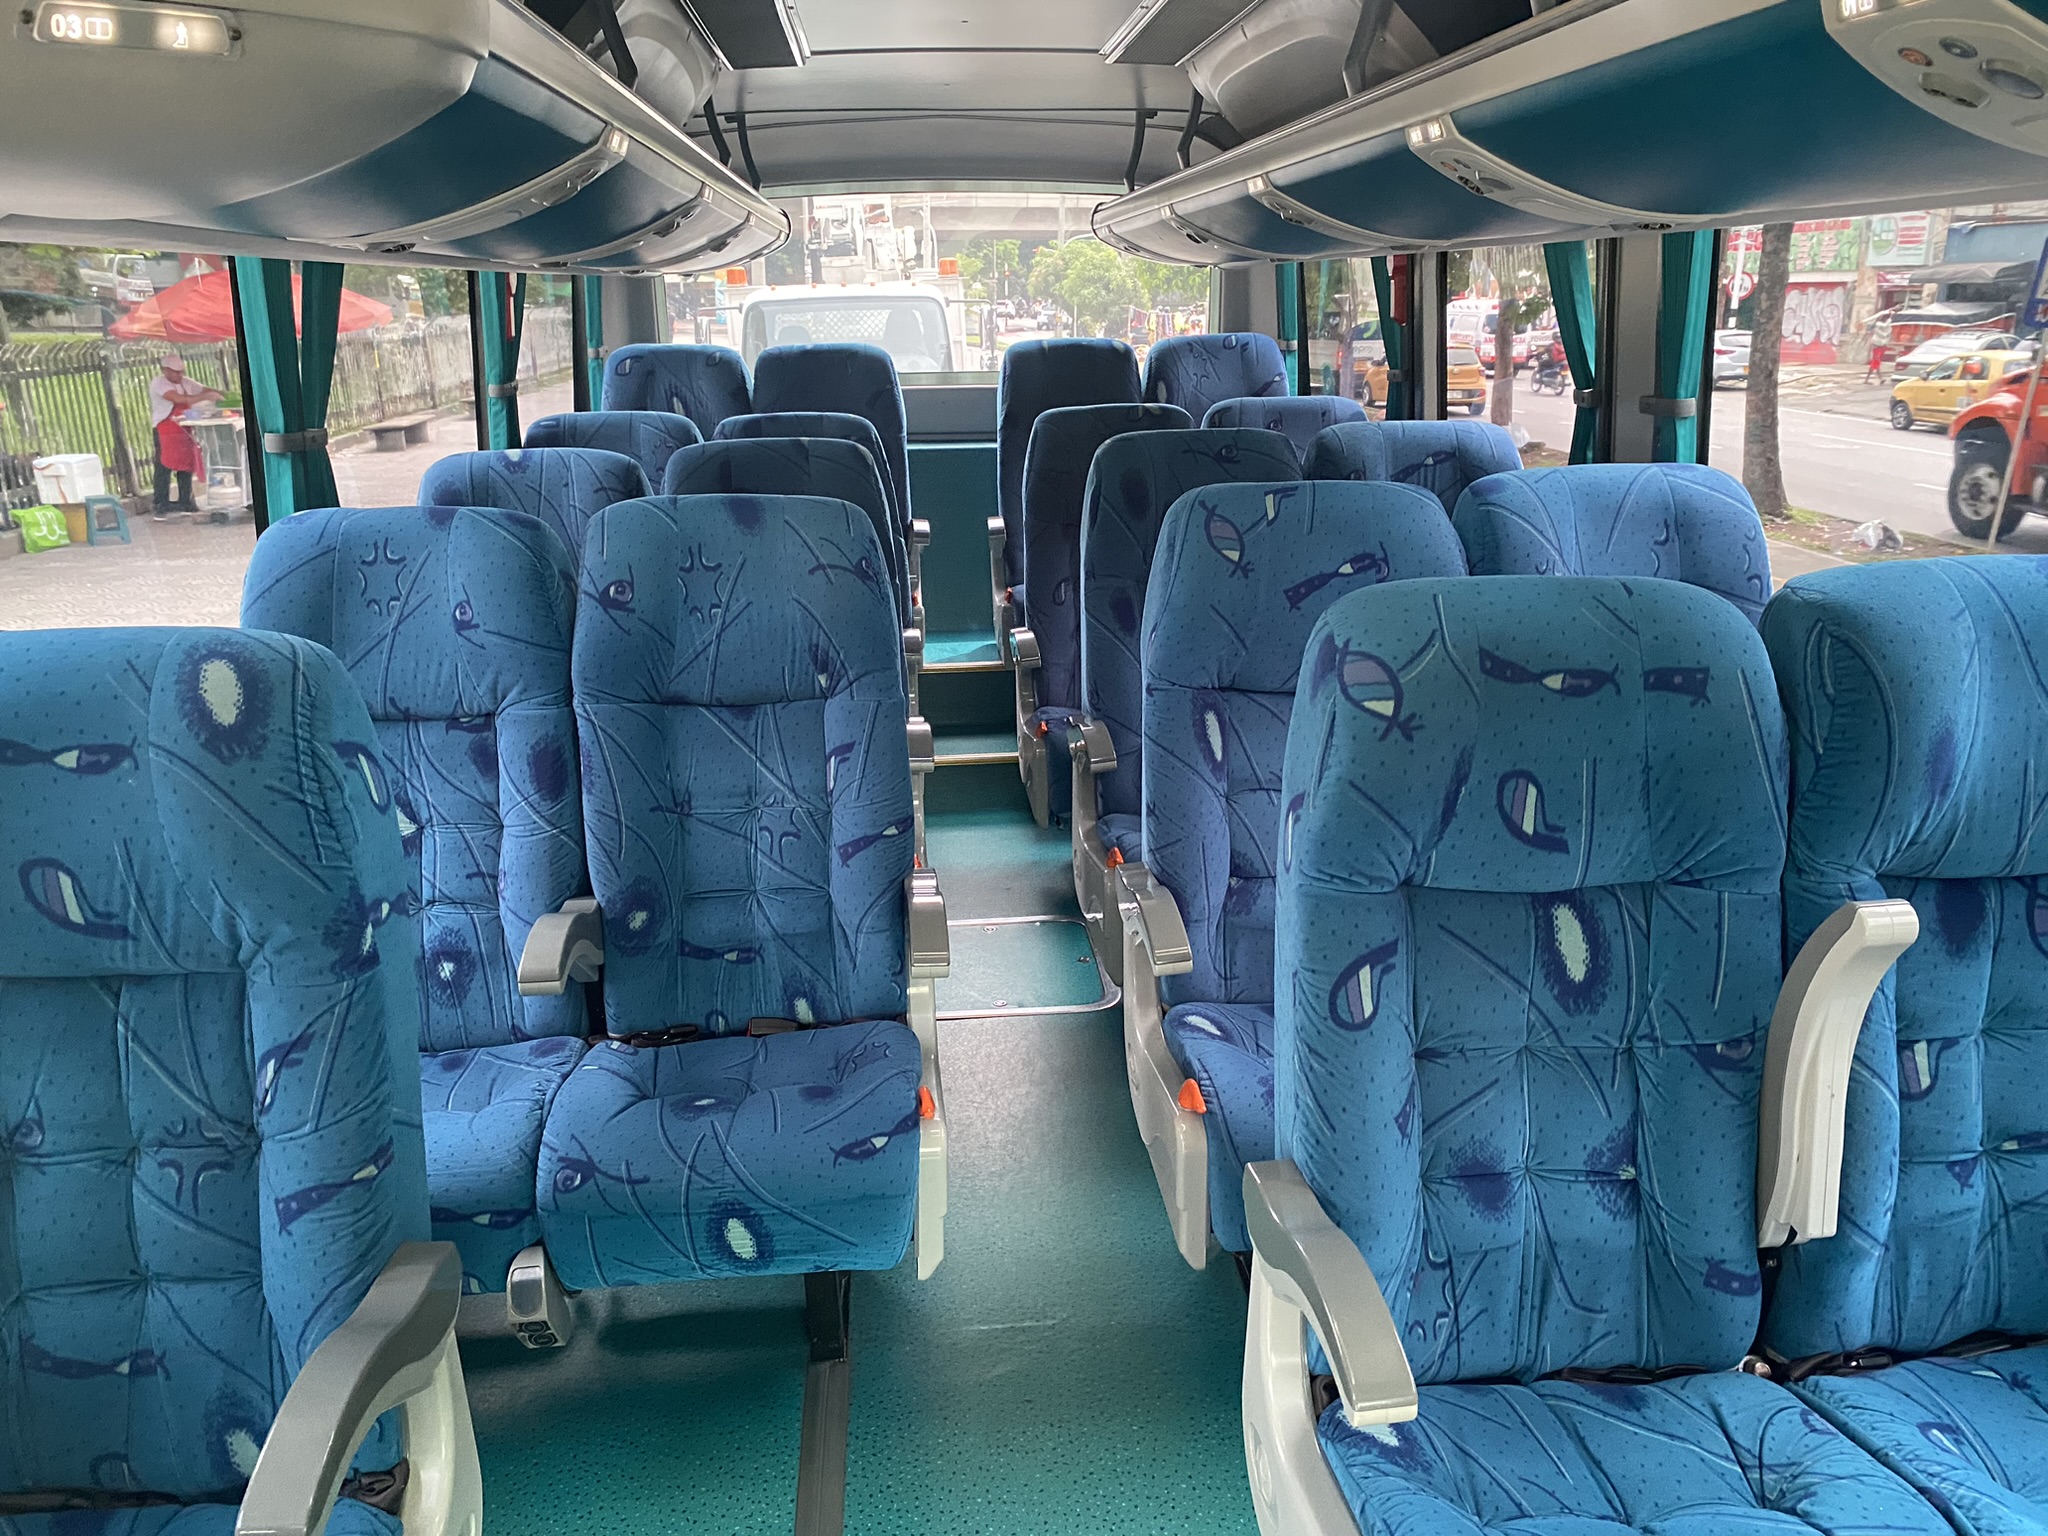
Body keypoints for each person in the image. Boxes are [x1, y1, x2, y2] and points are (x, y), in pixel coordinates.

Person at [148, 352, 220, 518]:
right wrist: (205, 396)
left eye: (181, 372)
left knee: (186, 464)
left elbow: (204, 389)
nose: (179, 375)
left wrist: (219, 393)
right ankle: (160, 502)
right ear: (165, 370)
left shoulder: (186, 382)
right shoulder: (159, 383)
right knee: (164, 464)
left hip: (184, 427)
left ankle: (185, 500)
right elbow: (179, 399)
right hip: (165, 427)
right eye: (175, 372)